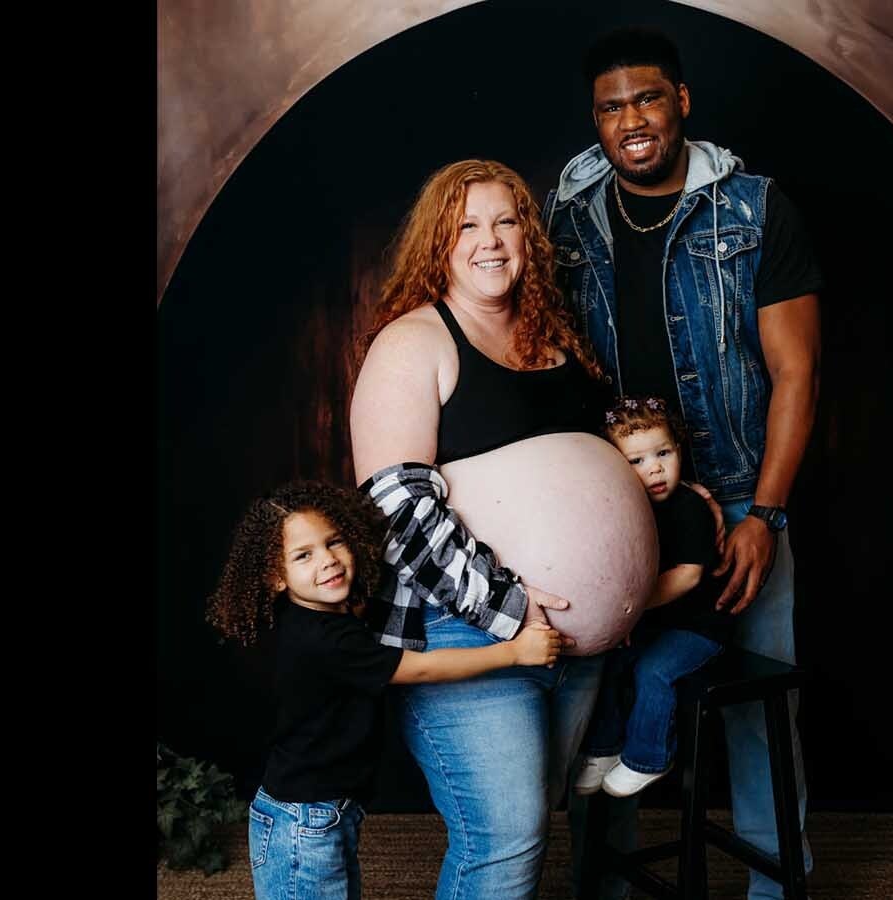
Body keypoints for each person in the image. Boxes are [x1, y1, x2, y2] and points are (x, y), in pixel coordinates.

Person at [545, 26, 824, 900]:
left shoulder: (755, 209)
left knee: (757, 714)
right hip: (613, 507)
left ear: (682, 102)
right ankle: (607, 886)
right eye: (611, 107)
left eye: (648, 98)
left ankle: (775, 887)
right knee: (601, 698)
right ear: (595, 119)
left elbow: (796, 372)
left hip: (739, 498)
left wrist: (764, 515)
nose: (631, 120)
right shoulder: (567, 219)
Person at [348, 158, 654, 898]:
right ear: (438, 244)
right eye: (466, 226)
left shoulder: (555, 338)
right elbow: (396, 512)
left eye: (506, 221)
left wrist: (673, 504)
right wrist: (513, 609)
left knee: (531, 824)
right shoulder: (414, 344)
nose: (489, 241)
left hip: (575, 646)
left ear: (528, 238)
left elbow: (602, 464)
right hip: (465, 634)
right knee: (506, 838)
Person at [205, 479, 563, 900]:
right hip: (304, 820)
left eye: (334, 542)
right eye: (304, 555)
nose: (328, 560)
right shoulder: (326, 640)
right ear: (276, 577)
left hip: (322, 809)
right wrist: (514, 653)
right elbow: (421, 669)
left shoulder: (318, 617)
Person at [574, 395, 732, 799]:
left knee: (653, 671)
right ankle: (604, 749)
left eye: (663, 453)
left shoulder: (689, 507)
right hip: (655, 624)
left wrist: (632, 609)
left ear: (679, 449)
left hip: (699, 628)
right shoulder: (628, 506)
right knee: (609, 661)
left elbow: (688, 577)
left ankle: (649, 758)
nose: (655, 468)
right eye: (637, 461)